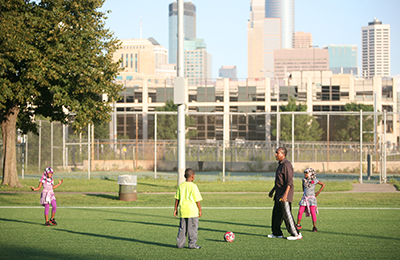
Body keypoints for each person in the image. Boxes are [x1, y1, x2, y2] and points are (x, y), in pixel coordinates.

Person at [268, 147, 302, 240]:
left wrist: (285, 195)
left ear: (283, 154)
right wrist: (272, 190)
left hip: (284, 195)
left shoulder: (287, 165)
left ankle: (296, 234)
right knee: (276, 215)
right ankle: (277, 233)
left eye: (277, 153)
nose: (275, 154)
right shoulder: (280, 165)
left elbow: (289, 182)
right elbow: (280, 181)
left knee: (287, 215)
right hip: (278, 194)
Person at [174, 168, 203, 249]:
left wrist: (175, 209)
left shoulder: (181, 186)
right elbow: (197, 200)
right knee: (193, 228)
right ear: (193, 176)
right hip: (192, 211)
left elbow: (177, 198)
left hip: (183, 211)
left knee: (182, 228)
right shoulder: (194, 186)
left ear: (184, 176)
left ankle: (180, 244)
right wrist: (200, 210)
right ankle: (192, 244)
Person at [296, 167, 325, 232]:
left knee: (313, 212)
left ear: (311, 173)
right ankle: (298, 224)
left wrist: (318, 192)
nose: (305, 174)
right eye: (305, 173)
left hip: (311, 199)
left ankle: (314, 227)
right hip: (305, 198)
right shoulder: (304, 180)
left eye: (306, 173)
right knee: (300, 211)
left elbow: (323, 184)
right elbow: (303, 187)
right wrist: (304, 194)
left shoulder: (314, 180)